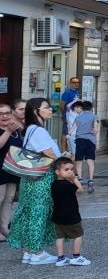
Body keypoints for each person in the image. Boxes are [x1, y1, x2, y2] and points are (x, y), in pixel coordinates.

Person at [8, 98, 60, 265]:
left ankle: (29, 251)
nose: (50, 110)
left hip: (29, 177)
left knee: (28, 212)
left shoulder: (30, 129)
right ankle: (37, 253)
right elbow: (49, 153)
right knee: (39, 212)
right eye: (46, 107)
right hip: (41, 178)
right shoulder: (39, 131)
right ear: (36, 111)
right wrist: (65, 166)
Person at [50, 156, 90, 266]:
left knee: (60, 237)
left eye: (71, 169)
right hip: (71, 216)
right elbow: (80, 190)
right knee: (78, 235)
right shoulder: (67, 185)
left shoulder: (54, 184)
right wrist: (74, 179)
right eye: (66, 169)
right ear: (57, 172)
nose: (70, 172)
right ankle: (76, 256)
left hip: (57, 216)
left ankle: (60, 258)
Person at [0, 103, 23, 243]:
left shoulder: (16, 129)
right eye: (1, 113)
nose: (5, 116)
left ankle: (4, 229)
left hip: (12, 170)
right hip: (0, 171)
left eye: (7, 113)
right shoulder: (9, 130)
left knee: (8, 200)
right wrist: (8, 131)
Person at [67, 101, 98, 194]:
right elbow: (95, 129)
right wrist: (94, 130)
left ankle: (80, 179)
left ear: (82, 108)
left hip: (80, 141)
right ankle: (90, 181)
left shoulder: (78, 117)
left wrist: (68, 135)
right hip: (90, 141)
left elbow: (72, 128)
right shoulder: (94, 116)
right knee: (90, 161)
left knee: (79, 161)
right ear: (91, 108)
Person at [59, 76, 80, 151]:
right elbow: (62, 104)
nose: (76, 84)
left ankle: (68, 150)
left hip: (74, 116)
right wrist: (64, 115)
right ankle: (63, 150)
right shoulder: (67, 92)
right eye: (74, 82)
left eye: (77, 82)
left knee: (71, 132)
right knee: (65, 132)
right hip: (68, 116)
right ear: (70, 83)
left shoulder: (77, 92)